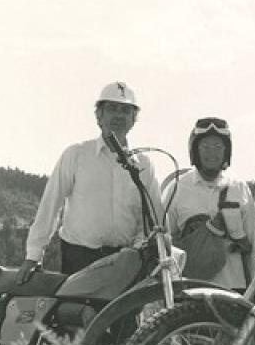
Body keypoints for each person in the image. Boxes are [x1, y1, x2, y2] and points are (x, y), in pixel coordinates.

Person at [15, 81, 163, 282]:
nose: (118, 115)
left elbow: (153, 218)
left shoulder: (144, 165)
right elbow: (51, 205)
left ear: (134, 119)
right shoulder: (76, 155)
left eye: (125, 110)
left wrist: (136, 252)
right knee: (77, 313)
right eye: (111, 108)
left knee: (124, 314)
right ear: (99, 116)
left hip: (126, 263)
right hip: (79, 259)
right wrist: (33, 255)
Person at [162, 117, 255, 290]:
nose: (212, 153)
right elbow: (165, 240)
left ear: (226, 151)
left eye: (218, 147)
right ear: (195, 150)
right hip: (189, 287)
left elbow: (253, 240)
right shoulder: (177, 187)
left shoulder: (239, 187)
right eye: (205, 147)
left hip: (234, 286)